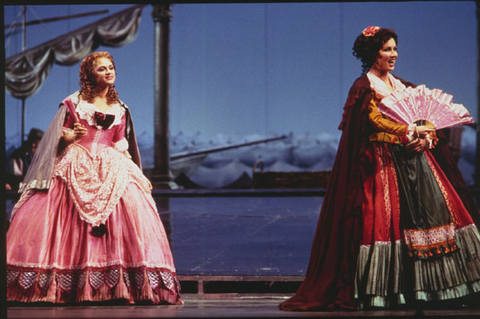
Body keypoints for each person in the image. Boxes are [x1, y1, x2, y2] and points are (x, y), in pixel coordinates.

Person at [279, 26, 480, 311]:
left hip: (416, 162)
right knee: (384, 222)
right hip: (382, 164)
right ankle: (390, 291)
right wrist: (407, 130)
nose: (393, 54)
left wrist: (425, 137)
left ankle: (443, 287)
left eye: (395, 49)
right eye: (387, 49)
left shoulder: (403, 86)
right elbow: (374, 120)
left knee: (437, 216)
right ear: (372, 54)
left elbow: (425, 119)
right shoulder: (364, 87)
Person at [6, 51, 182, 305]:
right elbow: (57, 138)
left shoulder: (120, 108)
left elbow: (121, 144)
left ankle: (117, 286)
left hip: (112, 164)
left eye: (111, 68)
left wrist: (136, 173)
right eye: (102, 69)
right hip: (76, 161)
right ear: (90, 75)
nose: (109, 72)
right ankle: (67, 283)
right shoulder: (73, 104)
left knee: (130, 213)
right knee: (61, 217)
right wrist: (69, 137)